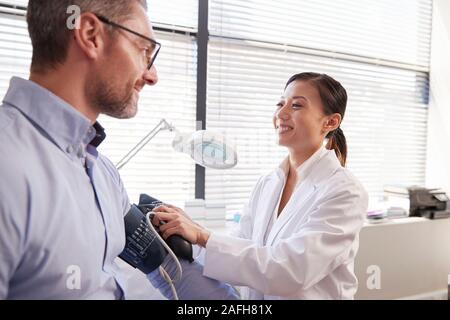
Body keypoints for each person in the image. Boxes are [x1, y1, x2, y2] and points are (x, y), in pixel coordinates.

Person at [0, 0, 237, 300]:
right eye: (143, 50)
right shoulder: (8, 166)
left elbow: (172, 271)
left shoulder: (103, 175)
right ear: (90, 35)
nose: (152, 76)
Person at [151, 72, 369, 299]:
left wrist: (202, 236)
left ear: (330, 122)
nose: (281, 113)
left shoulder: (345, 191)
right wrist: (186, 234)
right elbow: (240, 246)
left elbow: (291, 272)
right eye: (280, 103)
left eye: (296, 105)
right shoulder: (268, 183)